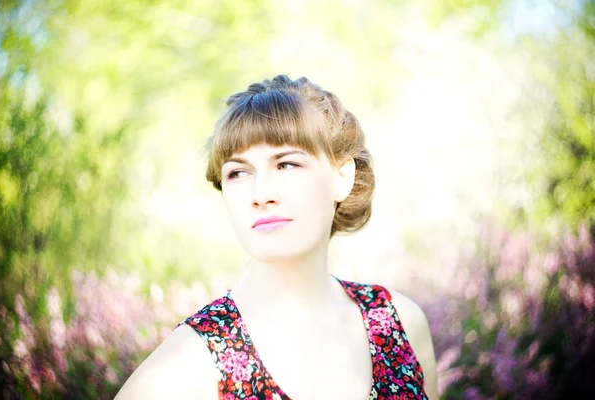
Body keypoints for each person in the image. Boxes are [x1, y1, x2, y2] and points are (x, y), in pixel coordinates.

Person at [115, 75, 438, 399]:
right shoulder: (189, 364)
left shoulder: (399, 325)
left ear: (342, 177)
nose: (261, 194)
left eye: (286, 164)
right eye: (238, 172)